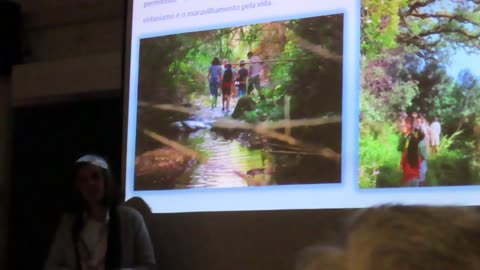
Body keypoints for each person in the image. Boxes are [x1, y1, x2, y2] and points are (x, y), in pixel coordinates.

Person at [44, 155, 155, 270]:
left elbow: (149, 266)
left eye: (95, 177)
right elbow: (51, 266)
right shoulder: (68, 223)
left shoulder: (131, 219)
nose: (90, 183)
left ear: (106, 180)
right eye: (83, 180)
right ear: (78, 187)